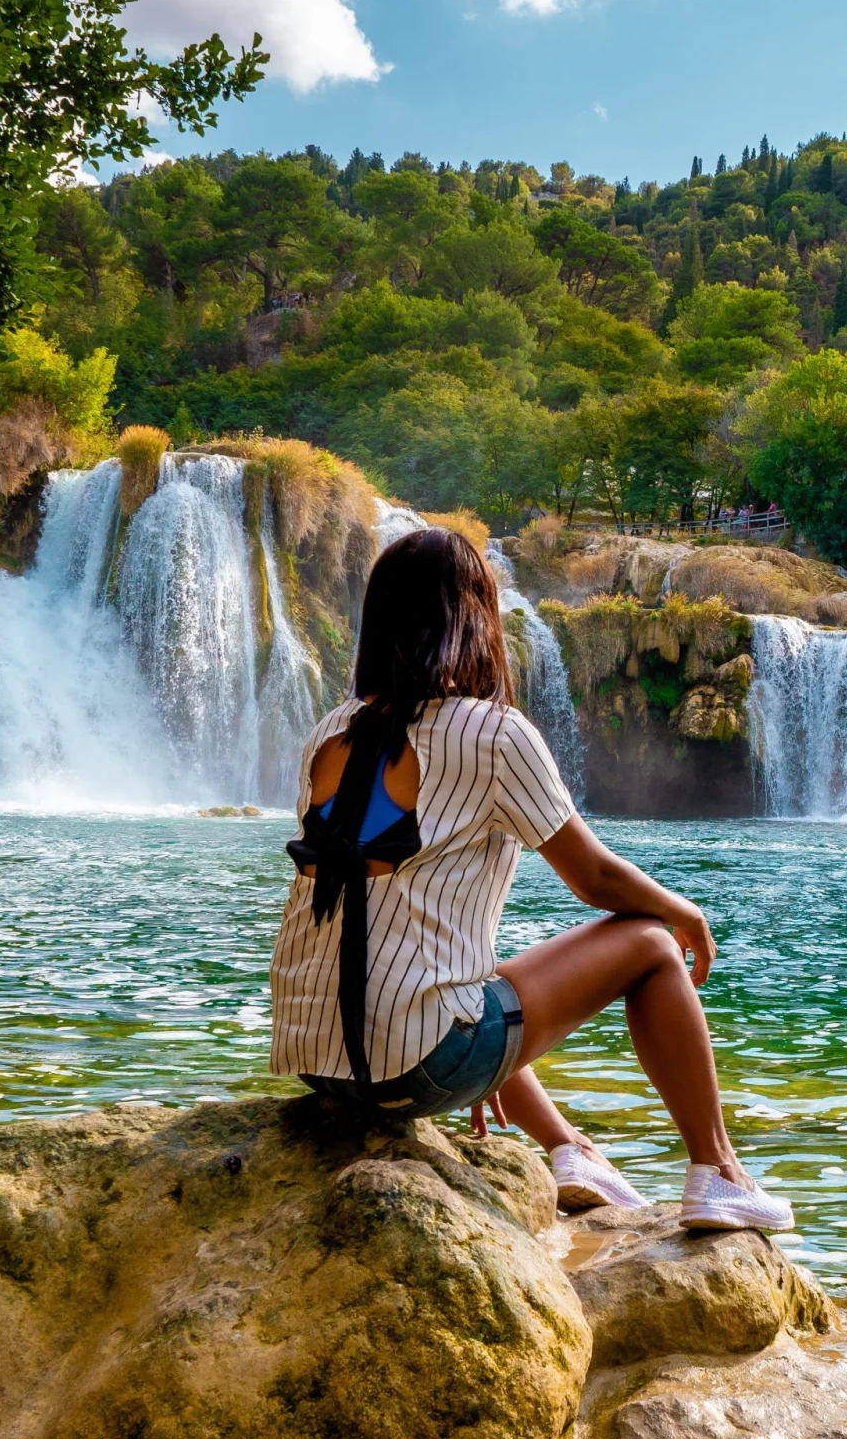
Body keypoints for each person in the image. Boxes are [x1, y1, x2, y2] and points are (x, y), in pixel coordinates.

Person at [270, 527, 790, 1232]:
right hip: (414, 1064)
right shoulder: (492, 733)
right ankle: (719, 1171)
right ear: (474, 616)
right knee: (648, 941)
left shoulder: (330, 730)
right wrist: (684, 911)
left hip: (315, 1056)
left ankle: (570, 1150)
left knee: (479, 982)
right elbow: (597, 878)